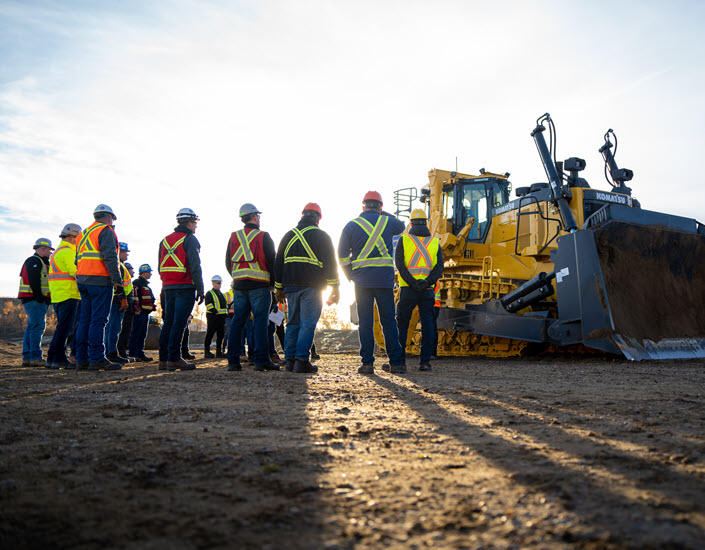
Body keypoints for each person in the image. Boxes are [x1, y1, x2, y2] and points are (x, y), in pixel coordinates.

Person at [338, 191, 405, 374]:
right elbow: (402, 225)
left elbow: (342, 255)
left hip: (362, 283)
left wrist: (350, 275)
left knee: (365, 322)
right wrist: (384, 214)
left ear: (363, 206)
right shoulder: (388, 222)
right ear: (380, 207)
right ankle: (396, 363)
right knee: (389, 322)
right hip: (384, 281)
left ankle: (367, 364)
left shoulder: (351, 226)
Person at [274, 202, 339, 373]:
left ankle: (289, 361)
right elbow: (331, 264)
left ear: (302, 215)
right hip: (312, 286)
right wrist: (335, 287)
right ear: (318, 218)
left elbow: (278, 262)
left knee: (293, 323)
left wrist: (279, 288)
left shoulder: (288, 236)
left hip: (290, 288)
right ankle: (301, 360)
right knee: (307, 324)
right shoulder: (322, 236)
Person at [225, 203, 277, 372]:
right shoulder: (263, 236)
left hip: (239, 286)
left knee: (238, 322)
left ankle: (233, 362)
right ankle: (261, 360)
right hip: (260, 287)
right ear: (255, 217)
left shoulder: (234, 237)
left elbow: (228, 262)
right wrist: (274, 285)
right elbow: (272, 262)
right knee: (260, 323)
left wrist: (237, 277)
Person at [393, 209, 444, 373]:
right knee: (428, 325)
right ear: (426, 222)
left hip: (408, 290)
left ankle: (400, 362)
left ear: (411, 223)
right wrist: (427, 282)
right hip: (427, 290)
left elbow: (400, 265)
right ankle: (425, 363)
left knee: (402, 325)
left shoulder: (404, 240)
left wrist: (412, 282)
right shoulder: (435, 242)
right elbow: (439, 267)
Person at [74, 204, 123, 371]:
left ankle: (82, 359)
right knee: (98, 321)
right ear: (109, 217)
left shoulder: (83, 234)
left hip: (83, 281)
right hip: (100, 281)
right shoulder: (106, 231)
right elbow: (110, 258)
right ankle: (97, 358)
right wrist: (117, 282)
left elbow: (77, 260)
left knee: (84, 321)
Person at [158, 208, 204, 371]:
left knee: (168, 323)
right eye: (195, 223)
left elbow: (159, 266)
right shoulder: (190, 239)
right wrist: (200, 288)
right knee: (179, 323)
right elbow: (195, 265)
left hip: (167, 287)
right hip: (184, 287)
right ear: (190, 222)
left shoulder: (164, 241)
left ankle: (163, 359)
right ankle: (174, 358)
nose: (196, 227)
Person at [46, 224, 82, 369]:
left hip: (60, 294)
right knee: (65, 329)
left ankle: (51, 358)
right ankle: (59, 359)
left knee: (62, 328)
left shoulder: (58, 251)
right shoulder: (68, 252)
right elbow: (77, 273)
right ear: (73, 238)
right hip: (68, 294)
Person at [18, 237, 54, 367]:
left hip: (32, 299)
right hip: (34, 299)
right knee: (37, 327)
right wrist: (39, 296)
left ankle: (28, 357)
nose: (50, 253)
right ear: (43, 249)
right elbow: (33, 280)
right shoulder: (35, 261)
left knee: (32, 327)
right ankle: (35, 357)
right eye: (49, 250)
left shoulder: (38, 261)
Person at [105, 242, 131, 364]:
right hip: (117, 301)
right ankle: (111, 352)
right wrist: (122, 299)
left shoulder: (120, 265)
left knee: (113, 328)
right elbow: (118, 283)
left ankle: (110, 351)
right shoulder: (118, 266)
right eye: (125, 252)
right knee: (113, 328)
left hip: (117, 300)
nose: (127, 255)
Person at [128, 264, 156, 362]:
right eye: (149, 272)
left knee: (142, 333)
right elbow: (135, 298)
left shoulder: (145, 284)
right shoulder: (137, 283)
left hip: (145, 313)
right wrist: (137, 309)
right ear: (143, 273)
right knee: (136, 332)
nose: (150, 274)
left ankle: (140, 353)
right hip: (139, 313)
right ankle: (133, 353)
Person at [204, 275, 228, 358]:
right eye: (218, 283)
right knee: (210, 334)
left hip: (221, 318)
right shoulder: (209, 293)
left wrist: (226, 313)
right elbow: (208, 304)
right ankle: (207, 352)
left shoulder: (221, 294)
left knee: (220, 335)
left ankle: (219, 351)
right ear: (213, 283)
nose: (220, 284)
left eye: (220, 283)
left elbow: (224, 306)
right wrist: (214, 311)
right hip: (213, 317)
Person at [116, 262, 136, 361]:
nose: (133, 271)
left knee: (126, 330)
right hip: (122, 304)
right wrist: (123, 299)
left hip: (127, 305)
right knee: (121, 330)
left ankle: (122, 351)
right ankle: (120, 352)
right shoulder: (121, 268)